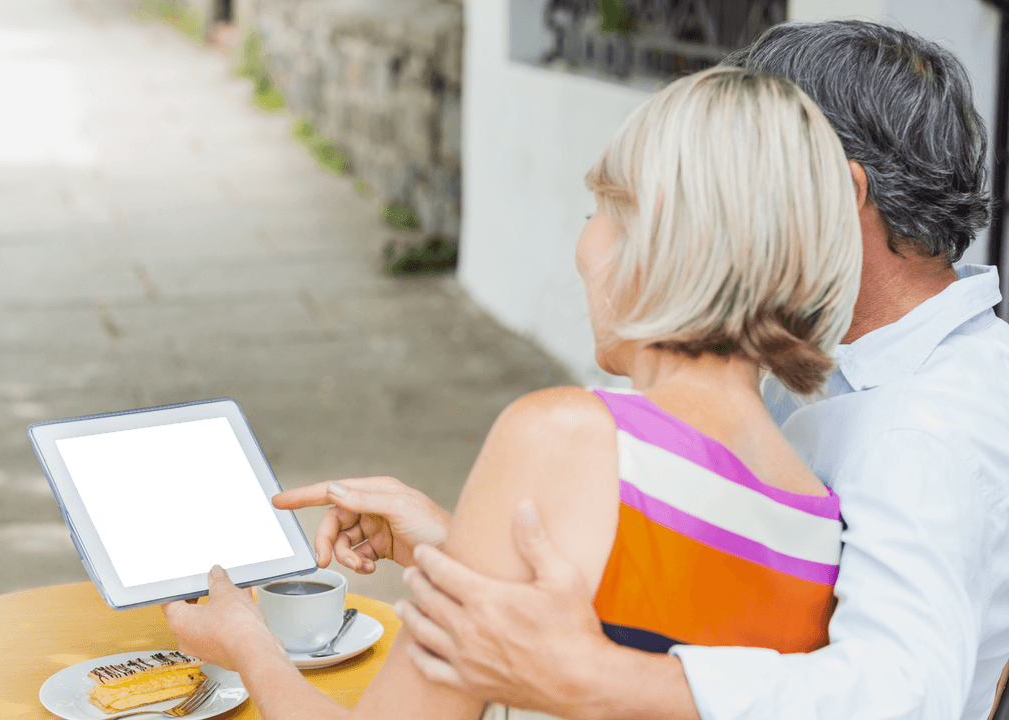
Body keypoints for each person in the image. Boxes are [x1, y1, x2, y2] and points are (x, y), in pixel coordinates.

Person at [280, 20, 1009, 720]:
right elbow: (713, 594)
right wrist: (472, 543)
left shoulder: (922, 425)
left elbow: (900, 697)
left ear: (834, 196)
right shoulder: (832, 381)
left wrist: (591, 677)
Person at [163, 65, 864, 719]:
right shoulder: (815, 512)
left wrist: (246, 640)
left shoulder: (567, 438)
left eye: (596, 212)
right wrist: (460, 542)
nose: (583, 247)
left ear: (656, 239)